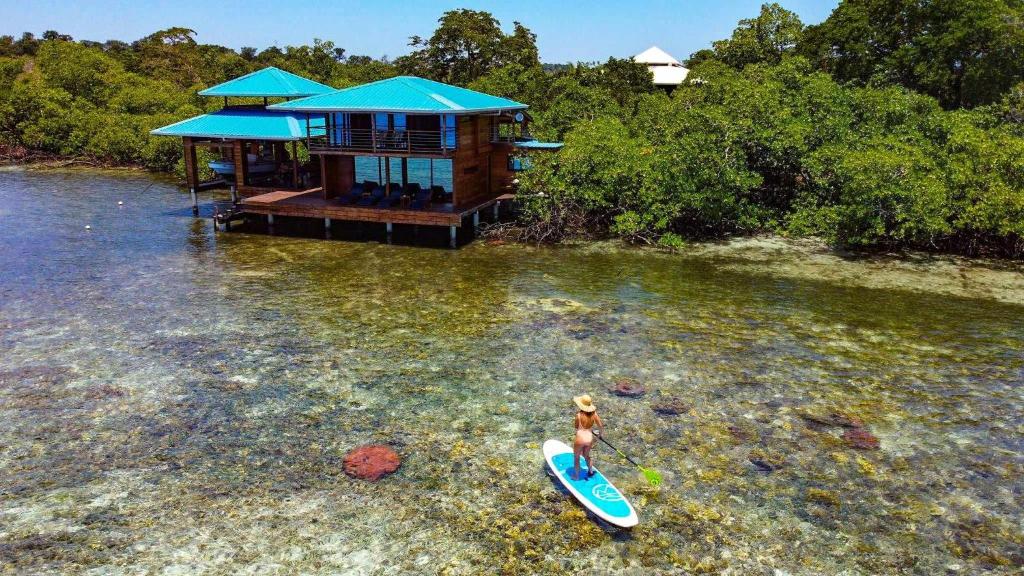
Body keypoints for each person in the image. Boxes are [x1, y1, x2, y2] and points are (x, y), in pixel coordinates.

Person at [572, 394, 604, 481]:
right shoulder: (594, 414)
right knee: (586, 456)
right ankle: (590, 471)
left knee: (577, 457)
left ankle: (576, 476)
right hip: (589, 438)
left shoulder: (578, 415)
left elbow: (576, 426)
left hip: (580, 438)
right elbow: (601, 426)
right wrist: (599, 435)